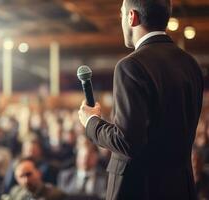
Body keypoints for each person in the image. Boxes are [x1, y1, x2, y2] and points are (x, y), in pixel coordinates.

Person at [78, 0, 204, 199]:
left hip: (139, 188)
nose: (121, 20)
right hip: (180, 187)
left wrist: (91, 122)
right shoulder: (190, 64)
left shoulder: (131, 66)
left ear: (132, 17)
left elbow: (127, 141)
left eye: (122, 14)